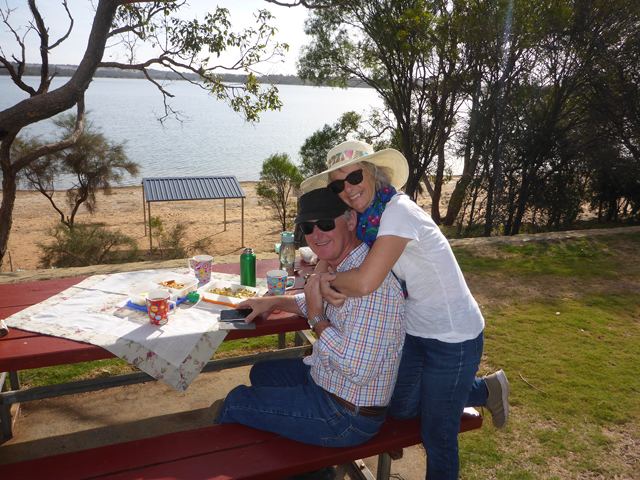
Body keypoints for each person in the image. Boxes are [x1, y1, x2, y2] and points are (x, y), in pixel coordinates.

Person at [300, 140, 510, 480]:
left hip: (453, 335)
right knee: (400, 406)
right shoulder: (368, 220)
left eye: (354, 177)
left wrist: (323, 285)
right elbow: (335, 255)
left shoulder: (397, 212)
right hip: (415, 328)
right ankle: (482, 389)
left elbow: (365, 282)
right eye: (338, 185)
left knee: (437, 435)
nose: (348, 189)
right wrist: (321, 275)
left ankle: (477, 391)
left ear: (374, 173)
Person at [216, 187, 405, 448]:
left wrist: (317, 319)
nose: (316, 235)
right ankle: (298, 456)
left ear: (351, 220)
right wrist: (271, 302)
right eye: (307, 227)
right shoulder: (345, 269)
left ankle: (227, 456)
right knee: (262, 372)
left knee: (236, 400)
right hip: (327, 380)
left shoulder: (370, 285)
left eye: (326, 224)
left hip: (346, 415)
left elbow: (357, 370)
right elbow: (313, 301)